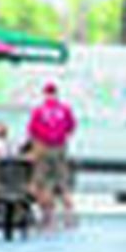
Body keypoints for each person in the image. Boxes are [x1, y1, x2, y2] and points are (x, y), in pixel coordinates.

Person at [26, 81, 78, 230]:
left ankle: (48, 218)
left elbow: (32, 131)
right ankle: (70, 217)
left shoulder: (39, 111)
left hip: (43, 148)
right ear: (56, 93)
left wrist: (38, 145)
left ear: (45, 94)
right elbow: (71, 127)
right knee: (63, 183)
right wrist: (59, 137)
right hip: (60, 148)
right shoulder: (65, 109)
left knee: (44, 183)